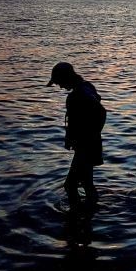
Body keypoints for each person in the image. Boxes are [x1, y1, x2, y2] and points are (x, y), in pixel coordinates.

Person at [48, 62, 106, 207]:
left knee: (70, 185)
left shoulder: (77, 95)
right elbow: (98, 113)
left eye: (59, 82)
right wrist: (94, 135)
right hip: (90, 143)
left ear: (65, 77)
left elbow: (101, 112)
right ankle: (90, 213)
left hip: (85, 147)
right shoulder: (88, 87)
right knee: (87, 183)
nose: (60, 87)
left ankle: (76, 217)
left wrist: (86, 137)